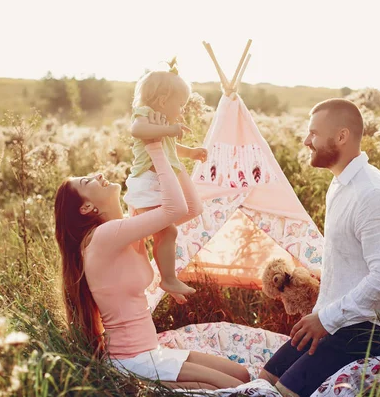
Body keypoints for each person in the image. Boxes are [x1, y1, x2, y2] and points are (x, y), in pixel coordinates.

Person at [54, 111, 249, 390]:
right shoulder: (103, 236)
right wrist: (155, 147)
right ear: (87, 208)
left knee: (241, 376)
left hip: (150, 352)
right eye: (87, 182)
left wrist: (170, 154)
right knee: (232, 389)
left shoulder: (125, 227)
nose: (98, 174)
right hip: (132, 360)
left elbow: (192, 208)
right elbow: (175, 209)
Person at [259, 99, 380, 397]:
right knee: (264, 380)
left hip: (372, 331)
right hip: (337, 323)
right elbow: (350, 262)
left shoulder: (374, 195)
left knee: (282, 392)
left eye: (313, 133)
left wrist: (326, 320)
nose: (306, 141)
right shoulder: (339, 185)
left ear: (341, 136)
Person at [124, 57, 207, 296]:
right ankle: (168, 279)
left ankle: (153, 234)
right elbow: (137, 130)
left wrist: (189, 152)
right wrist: (170, 129)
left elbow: (170, 146)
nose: (181, 110)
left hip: (159, 183)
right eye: (180, 104)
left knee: (176, 222)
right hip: (146, 184)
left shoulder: (163, 123)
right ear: (162, 100)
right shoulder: (146, 114)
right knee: (169, 231)